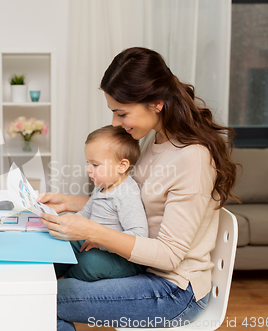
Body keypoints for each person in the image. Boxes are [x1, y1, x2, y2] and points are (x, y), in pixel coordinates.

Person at [39, 47, 238, 331]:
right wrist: (70, 202)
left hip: (173, 290)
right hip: (143, 270)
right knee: (44, 273)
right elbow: (136, 206)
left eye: (121, 113)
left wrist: (90, 230)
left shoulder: (193, 158)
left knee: (42, 299)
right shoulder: (153, 140)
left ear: (156, 103)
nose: (115, 123)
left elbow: (170, 256)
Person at [55, 125, 148, 282]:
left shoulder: (127, 193)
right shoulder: (102, 186)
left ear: (122, 166)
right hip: (97, 244)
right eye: (88, 163)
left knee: (89, 262)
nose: (88, 170)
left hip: (122, 257)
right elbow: (85, 214)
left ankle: (64, 280)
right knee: (64, 241)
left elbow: (139, 236)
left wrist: (101, 243)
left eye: (95, 165)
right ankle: (50, 272)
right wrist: (65, 224)